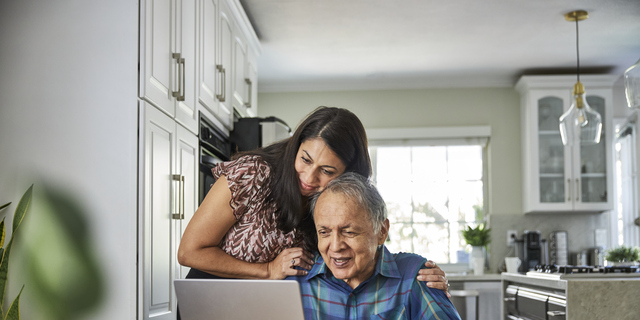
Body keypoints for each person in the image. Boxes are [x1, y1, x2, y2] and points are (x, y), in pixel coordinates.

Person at [177, 106, 449, 286]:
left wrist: (418, 275)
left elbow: (363, 246)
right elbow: (189, 252)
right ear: (296, 146)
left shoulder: (336, 202)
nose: (308, 178)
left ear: (349, 174)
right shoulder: (254, 173)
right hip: (213, 299)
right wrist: (268, 270)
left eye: (327, 170)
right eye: (305, 159)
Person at [291, 172, 461, 319]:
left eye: (349, 232)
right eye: (324, 232)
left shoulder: (415, 276)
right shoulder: (296, 281)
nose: (335, 247)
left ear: (381, 231)